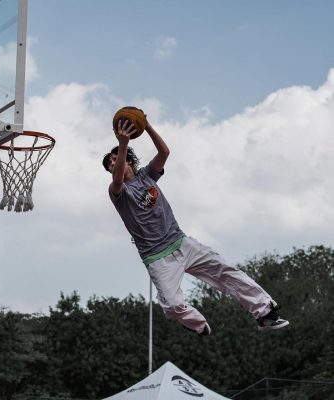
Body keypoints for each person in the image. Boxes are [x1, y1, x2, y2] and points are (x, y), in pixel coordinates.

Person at [102, 116, 289, 335]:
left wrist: (147, 125)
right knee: (172, 305)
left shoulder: (147, 176)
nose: (113, 164)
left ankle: (265, 313)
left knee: (226, 270)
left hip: (181, 242)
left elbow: (164, 153)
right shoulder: (118, 192)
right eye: (109, 164)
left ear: (129, 161)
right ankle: (196, 324)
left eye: (115, 159)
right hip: (157, 258)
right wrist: (123, 143)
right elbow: (117, 180)